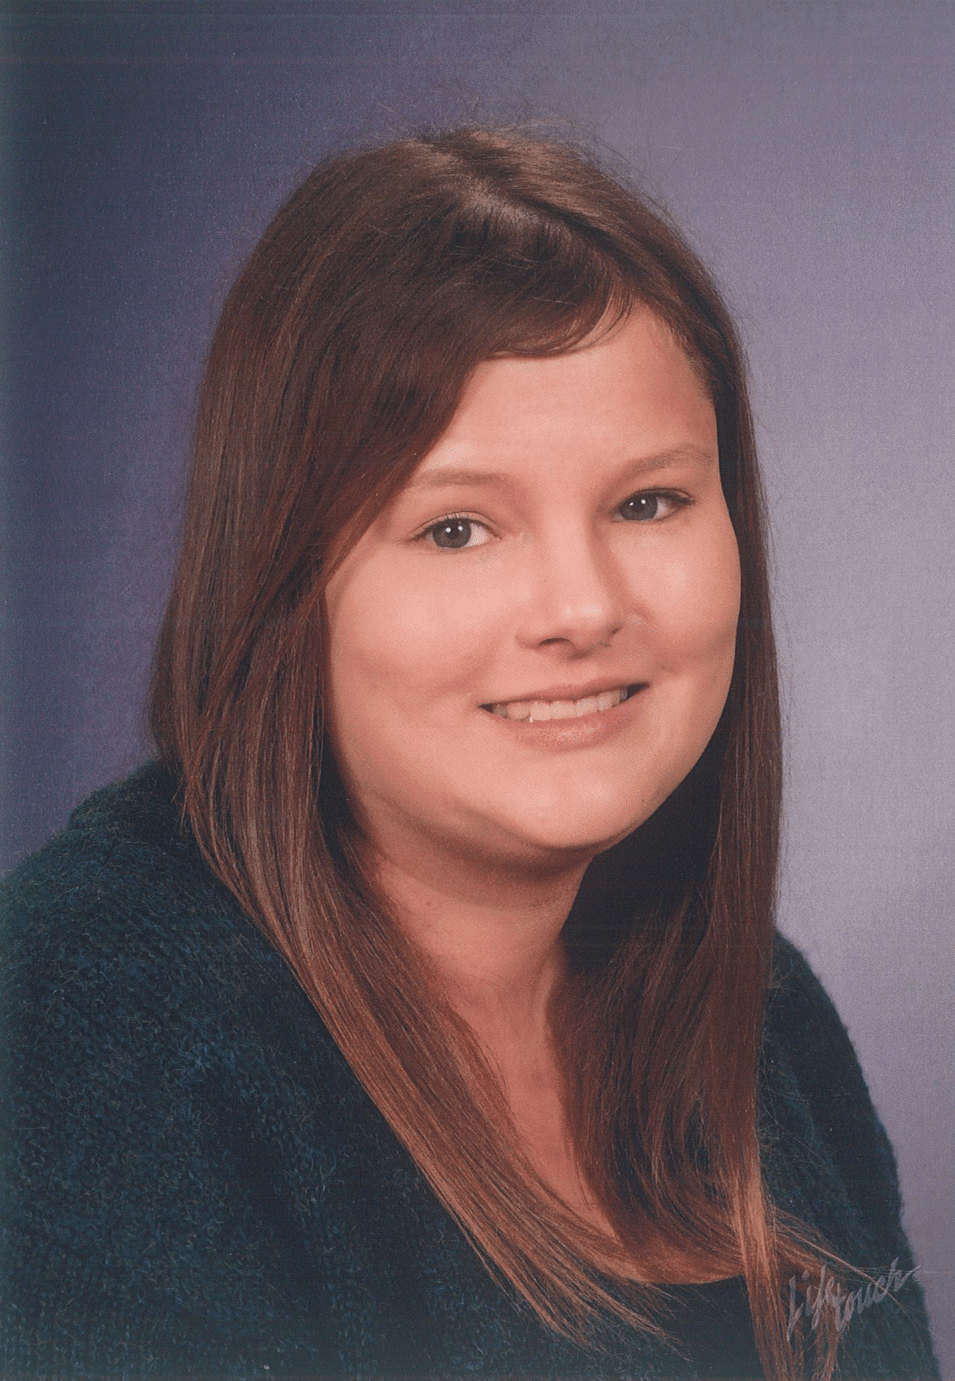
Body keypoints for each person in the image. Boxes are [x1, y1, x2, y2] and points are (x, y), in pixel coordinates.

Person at [0, 128, 939, 1381]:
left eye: (647, 502)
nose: (581, 606)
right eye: (456, 528)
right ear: (281, 578)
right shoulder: (89, 1042)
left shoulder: (760, 1012)